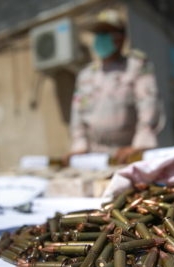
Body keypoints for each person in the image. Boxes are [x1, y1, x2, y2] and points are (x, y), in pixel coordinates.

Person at [65, 9, 163, 165]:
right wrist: (79, 146)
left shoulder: (137, 67)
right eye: (99, 33)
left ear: (121, 36)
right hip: (93, 156)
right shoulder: (86, 75)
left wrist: (140, 145)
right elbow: (77, 114)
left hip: (127, 154)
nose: (100, 38)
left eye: (106, 32)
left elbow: (148, 105)